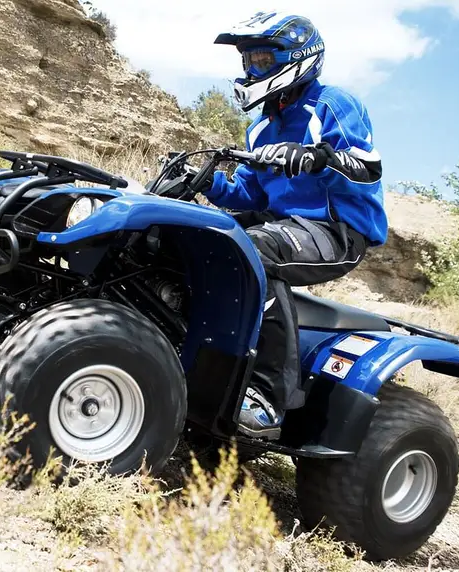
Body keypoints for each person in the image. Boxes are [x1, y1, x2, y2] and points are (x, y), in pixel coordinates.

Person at [195, 11, 389, 439]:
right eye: (248, 61)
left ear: (297, 56)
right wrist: (211, 183)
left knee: (251, 252)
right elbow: (251, 195)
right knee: (199, 237)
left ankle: (266, 395)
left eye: (262, 59)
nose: (252, 69)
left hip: (337, 230)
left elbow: (368, 169)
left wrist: (320, 158)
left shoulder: (332, 104)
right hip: (282, 223)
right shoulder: (260, 127)